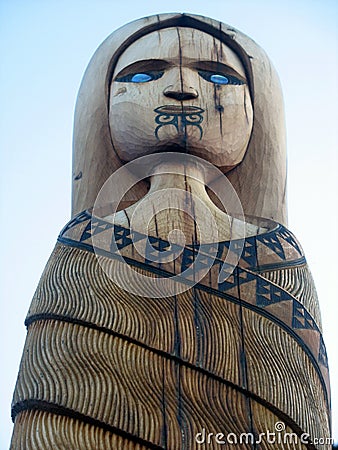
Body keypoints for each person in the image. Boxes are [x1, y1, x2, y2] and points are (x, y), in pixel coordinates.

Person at [11, 13, 330, 449]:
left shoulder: (277, 252)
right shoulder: (84, 241)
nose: (181, 88)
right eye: (143, 74)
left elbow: (298, 408)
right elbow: (51, 394)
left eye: (218, 76)